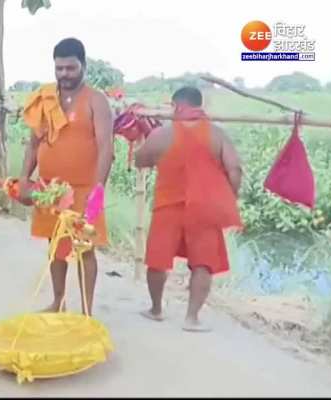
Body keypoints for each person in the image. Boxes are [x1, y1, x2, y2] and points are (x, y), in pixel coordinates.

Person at [135, 86, 243, 332]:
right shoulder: (217, 134)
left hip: (168, 207)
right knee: (203, 264)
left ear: (176, 106)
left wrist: (149, 139)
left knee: (157, 261)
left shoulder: (163, 134)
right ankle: (191, 319)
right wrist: (228, 198)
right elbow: (235, 169)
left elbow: (140, 160)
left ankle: (156, 309)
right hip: (205, 208)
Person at [19, 38, 114, 316]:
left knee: (85, 248)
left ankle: (87, 312)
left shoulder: (96, 100)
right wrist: (25, 178)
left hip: (85, 188)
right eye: (59, 68)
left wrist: (98, 191)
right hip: (50, 190)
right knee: (55, 245)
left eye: (70, 68)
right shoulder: (45, 99)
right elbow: (34, 143)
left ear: (83, 66)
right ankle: (57, 301)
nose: (64, 74)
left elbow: (106, 146)